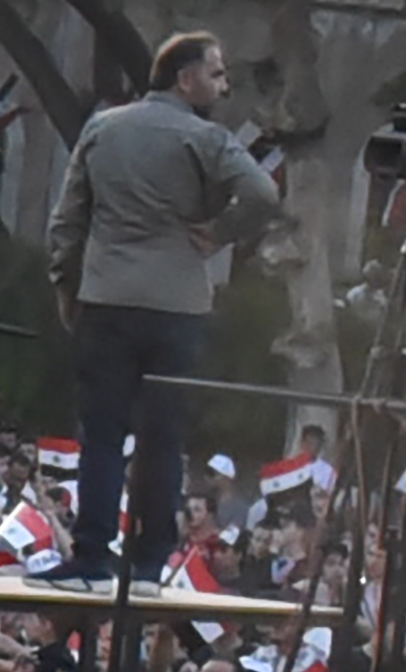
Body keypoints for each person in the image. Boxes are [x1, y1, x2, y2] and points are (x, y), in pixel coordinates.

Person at [43, 32, 283, 583]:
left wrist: (66, 286)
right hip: (178, 306)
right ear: (185, 78)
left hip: (106, 298)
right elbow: (263, 196)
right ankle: (150, 561)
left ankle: (90, 556)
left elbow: (68, 220)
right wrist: (220, 233)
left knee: (101, 435)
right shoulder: (208, 138)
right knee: (163, 437)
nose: (223, 86)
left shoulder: (103, 129)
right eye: (217, 74)